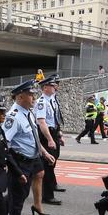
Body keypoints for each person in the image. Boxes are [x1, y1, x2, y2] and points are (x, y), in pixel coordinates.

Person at [3, 80, 56, 215]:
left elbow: (33, 137)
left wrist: (44, 153)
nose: (34, 97)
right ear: (20, 97)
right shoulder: (13, 117)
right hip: (20, 162)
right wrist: (8, 165)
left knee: (18, 195)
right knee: (18, 198)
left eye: (33, 94)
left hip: (31, 160)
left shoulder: (27, 112)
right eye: (30, 94)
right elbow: (5, 143)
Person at [35, 75, 63, 207]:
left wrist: (58, 134)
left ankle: (46, 189)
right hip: (46, 134)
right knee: (48, 164)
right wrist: (50, 139)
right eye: (52, 85)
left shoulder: (51, 100)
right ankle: (47, 195)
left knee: (53, 160)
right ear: (45, 87)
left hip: (53, 132)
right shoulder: (42, 102)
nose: (55, 87)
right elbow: (41, 122)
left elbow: (55, 119)